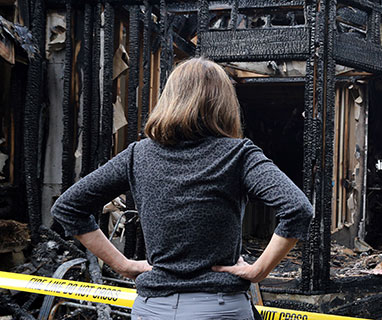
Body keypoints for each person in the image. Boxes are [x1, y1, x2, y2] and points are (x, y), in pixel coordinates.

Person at [52, 57, 313, 319]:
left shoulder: (137, 155)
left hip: (152, 310)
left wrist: (124, 265)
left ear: (170, 97)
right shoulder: (239, 154)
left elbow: (68, 207)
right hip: (219, 308)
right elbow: (298, 208)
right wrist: (259, 271)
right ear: (224, 103)